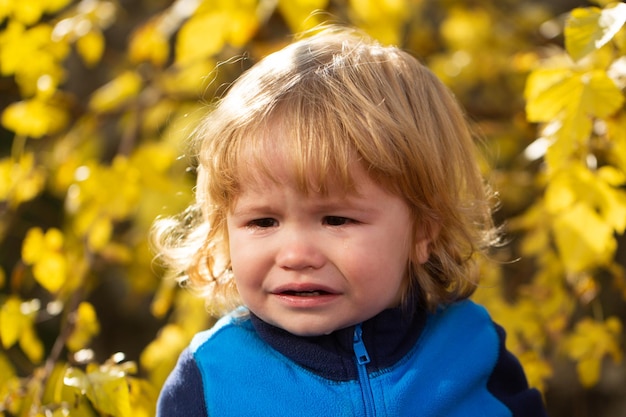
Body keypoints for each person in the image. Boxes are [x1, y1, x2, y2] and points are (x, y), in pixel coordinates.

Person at [153, 26, 548, 416]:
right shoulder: (211, 379)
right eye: (263, 222)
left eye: (336, 219)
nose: (295, 255)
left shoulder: (471, 349)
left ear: (424, 228)